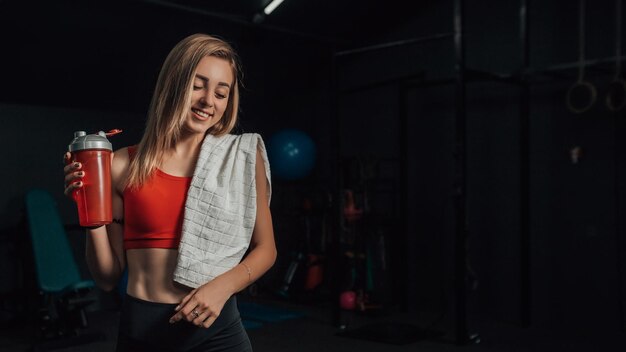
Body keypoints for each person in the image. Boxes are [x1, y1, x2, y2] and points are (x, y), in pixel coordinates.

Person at [63, 33, 276, 351]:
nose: (208, 101)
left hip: (219, 332)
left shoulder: (242, 158)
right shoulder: (122, 164)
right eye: (198, 84)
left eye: (222, 92)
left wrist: (221, 288)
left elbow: (266, 249)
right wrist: (89, 209)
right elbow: (107, 277)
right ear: (174, 83)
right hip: (144, 332)